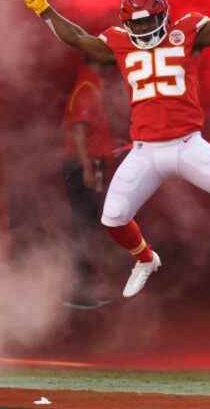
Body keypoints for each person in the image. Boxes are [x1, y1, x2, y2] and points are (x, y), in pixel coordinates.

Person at [25, 0, 210, 298]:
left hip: (188, 144)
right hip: (146, 151)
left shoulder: (186, 31)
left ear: (163, 15)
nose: (142, 29)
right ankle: (145, 259)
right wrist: (46, 12)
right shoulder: (118, 42)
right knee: (113, 219)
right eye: (136, 24)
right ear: (127, 23)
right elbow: (79, 38)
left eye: (148, 21)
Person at [62, 59, 116, 302]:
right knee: (85, 225)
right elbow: (78, 130)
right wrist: (86, 168)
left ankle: (88, 284)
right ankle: (81, 288)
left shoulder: (92, 88)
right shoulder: (86, 89)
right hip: (83, 166)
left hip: (90, 164)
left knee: (90, 224)